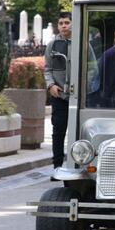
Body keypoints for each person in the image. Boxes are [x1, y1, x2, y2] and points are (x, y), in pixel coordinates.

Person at [44, 11, 72, 168]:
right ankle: (57, 166)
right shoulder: (52, 45)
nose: (63, 26)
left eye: (67, 22)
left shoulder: (82, 43)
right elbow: (47, 69)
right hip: (59, 95)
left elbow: (91, 67)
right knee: (58, 131)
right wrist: (50, 85)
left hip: (78, 96)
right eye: (61, 23)